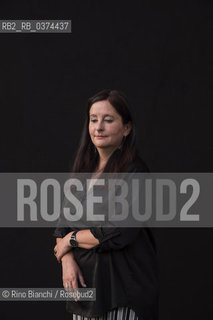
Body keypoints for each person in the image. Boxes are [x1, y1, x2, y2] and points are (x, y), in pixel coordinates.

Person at [53, 89, 159, 320]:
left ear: (127, 128)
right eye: (93, 120)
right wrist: (67, 260)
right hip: (86, 293)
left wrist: (71, 240)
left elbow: (118, 231)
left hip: (123, 293)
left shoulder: (135, 173)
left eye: (108, 120)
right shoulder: (83, 171)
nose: (98, 127)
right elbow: (63, 224)